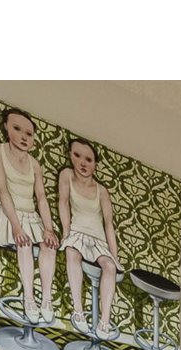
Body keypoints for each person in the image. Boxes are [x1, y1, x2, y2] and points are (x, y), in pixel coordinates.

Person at [0, 107, 60, 324]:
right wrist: (16, 227)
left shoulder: (34, 164)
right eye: (17, 129)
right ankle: (29, 297)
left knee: (49, 246)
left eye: (28, 133)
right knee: (25, 244)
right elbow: (2, 189)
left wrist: (48, 228)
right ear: (6, 127)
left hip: (30, 214)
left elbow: (42, 198)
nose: (23, 137)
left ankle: (46, 298)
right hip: (8, 212)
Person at [57, 137, 122, 338]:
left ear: (95, 164)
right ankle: (78, 310)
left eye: (89, 159)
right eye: (77, 156)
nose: (83, 163)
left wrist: (114, 255)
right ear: (70, 156)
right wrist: (66, 233)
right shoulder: (66, 175)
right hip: (77, 232)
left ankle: (104, 320)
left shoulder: (102, 191)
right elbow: (63, 203)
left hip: (98, 239)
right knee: (72, 253)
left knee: (109, 267)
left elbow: (108, 224)